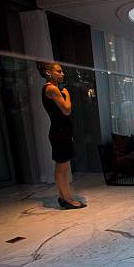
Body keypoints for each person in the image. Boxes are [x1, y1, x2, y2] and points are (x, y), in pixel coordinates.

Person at [37, 62, 85, 210]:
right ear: (48, 73)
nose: (62, 74)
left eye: (62, 71)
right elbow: (67, 110)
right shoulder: (52, 89)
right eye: (59, 71)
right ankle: (67, 199)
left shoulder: (52, 89)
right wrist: (67, 95)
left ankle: (64, 197)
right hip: (60, 132)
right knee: (62, 167)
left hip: (61, 131)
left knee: (62, 166)